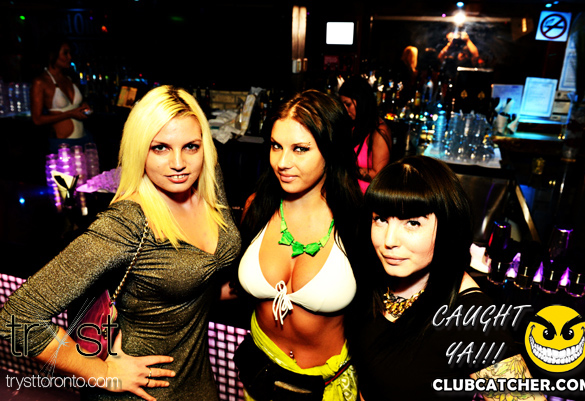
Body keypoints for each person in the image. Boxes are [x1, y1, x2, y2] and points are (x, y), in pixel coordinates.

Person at [0, 85, 241, 400]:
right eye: (160, 148)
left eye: (191, 146)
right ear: (139, 150)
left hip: (199, 382)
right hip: (143, 391)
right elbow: (17, 319)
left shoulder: (207, 180)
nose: (179, 163)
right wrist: (102, 373)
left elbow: (191, 273)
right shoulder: (127, 223)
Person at [350, 156, 546, 401]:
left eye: (412, 223)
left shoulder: (471, 317)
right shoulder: (377, 276)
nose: (389, 240)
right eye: (381, 219)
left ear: (448, 227)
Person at [235, 89, 365, 400]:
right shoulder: (257, 207)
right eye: (276, 146)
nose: (282, 162)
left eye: (300, 149)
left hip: (327, 387)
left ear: (330, 150)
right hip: (259, 378)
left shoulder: (358, 221)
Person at [31, 36, 92, 152]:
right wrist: (70, 114)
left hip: (85, 138)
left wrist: (84, 106)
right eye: (65, 53)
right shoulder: (41, 82)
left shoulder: (70, 78)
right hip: (63, 144)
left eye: (70, 53)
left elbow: (75, 106)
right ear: (52, 55)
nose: (70, 57)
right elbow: (37, 119)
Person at [338, 76, 392, 193]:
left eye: (348, 104)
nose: (345, 110)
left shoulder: (379, 131)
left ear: (361, 101)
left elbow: (378, 175)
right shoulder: (353, 125)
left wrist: (344, 166)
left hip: (365, 200)